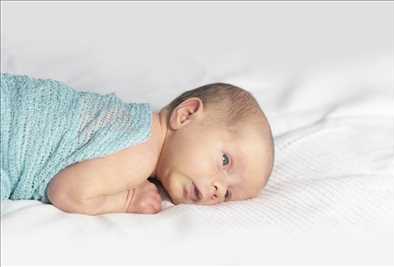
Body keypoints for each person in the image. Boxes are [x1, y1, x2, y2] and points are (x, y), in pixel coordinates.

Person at [0, 73, 274, 215]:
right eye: (225, 161)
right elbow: (68, 192)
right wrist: (127, 199)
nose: (217, 189)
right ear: (186, 115)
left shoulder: (131, 120)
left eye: (228, 194)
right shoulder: (141, 150)